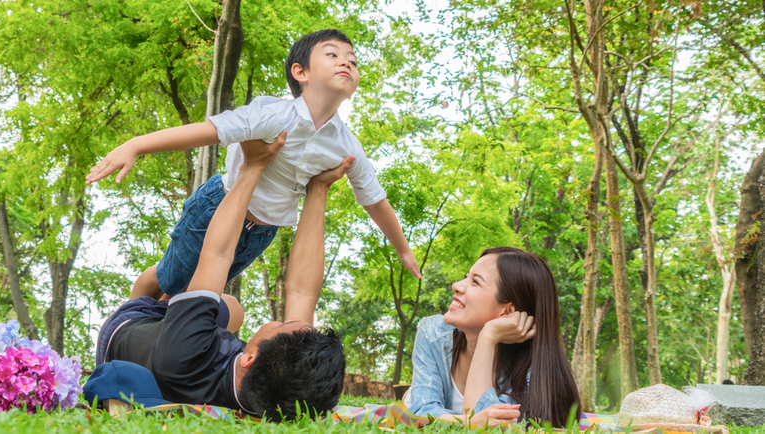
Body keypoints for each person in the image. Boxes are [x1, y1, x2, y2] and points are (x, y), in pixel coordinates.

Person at [85, 29, 421, 316]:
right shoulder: (272, 114)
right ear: (300, 72)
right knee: (169, 277)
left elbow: (374, 199)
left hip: (262, 232)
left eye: (353, 59)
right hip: (218, 208)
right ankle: (126, 320)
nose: (347, 61)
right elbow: (210, 131)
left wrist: (403, 249)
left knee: (194, 295)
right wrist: (137, 145)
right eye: (333, 54)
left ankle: (159, 345)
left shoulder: (346, 145)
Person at [95, 135, 349, 421]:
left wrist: (252, 167)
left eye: (281, 324)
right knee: (234, 309)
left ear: (250, 358)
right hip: (182, 345)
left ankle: (166, 296)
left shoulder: (185, 355)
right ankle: (181, 306)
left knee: (169, 282)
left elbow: (216, 255)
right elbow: (303, 293)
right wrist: (318, 189)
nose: (286, 320)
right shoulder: (274, 395)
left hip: (127, 327)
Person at [405, 247, 580, 427]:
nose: (456, 285)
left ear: (508, 312)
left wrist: (487, 338)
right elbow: (421, 413)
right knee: (411, 398)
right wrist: (467, 421)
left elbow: (489, 428)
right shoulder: (433, 333)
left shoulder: (533, 370)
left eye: (475, 282)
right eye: (466, 276)